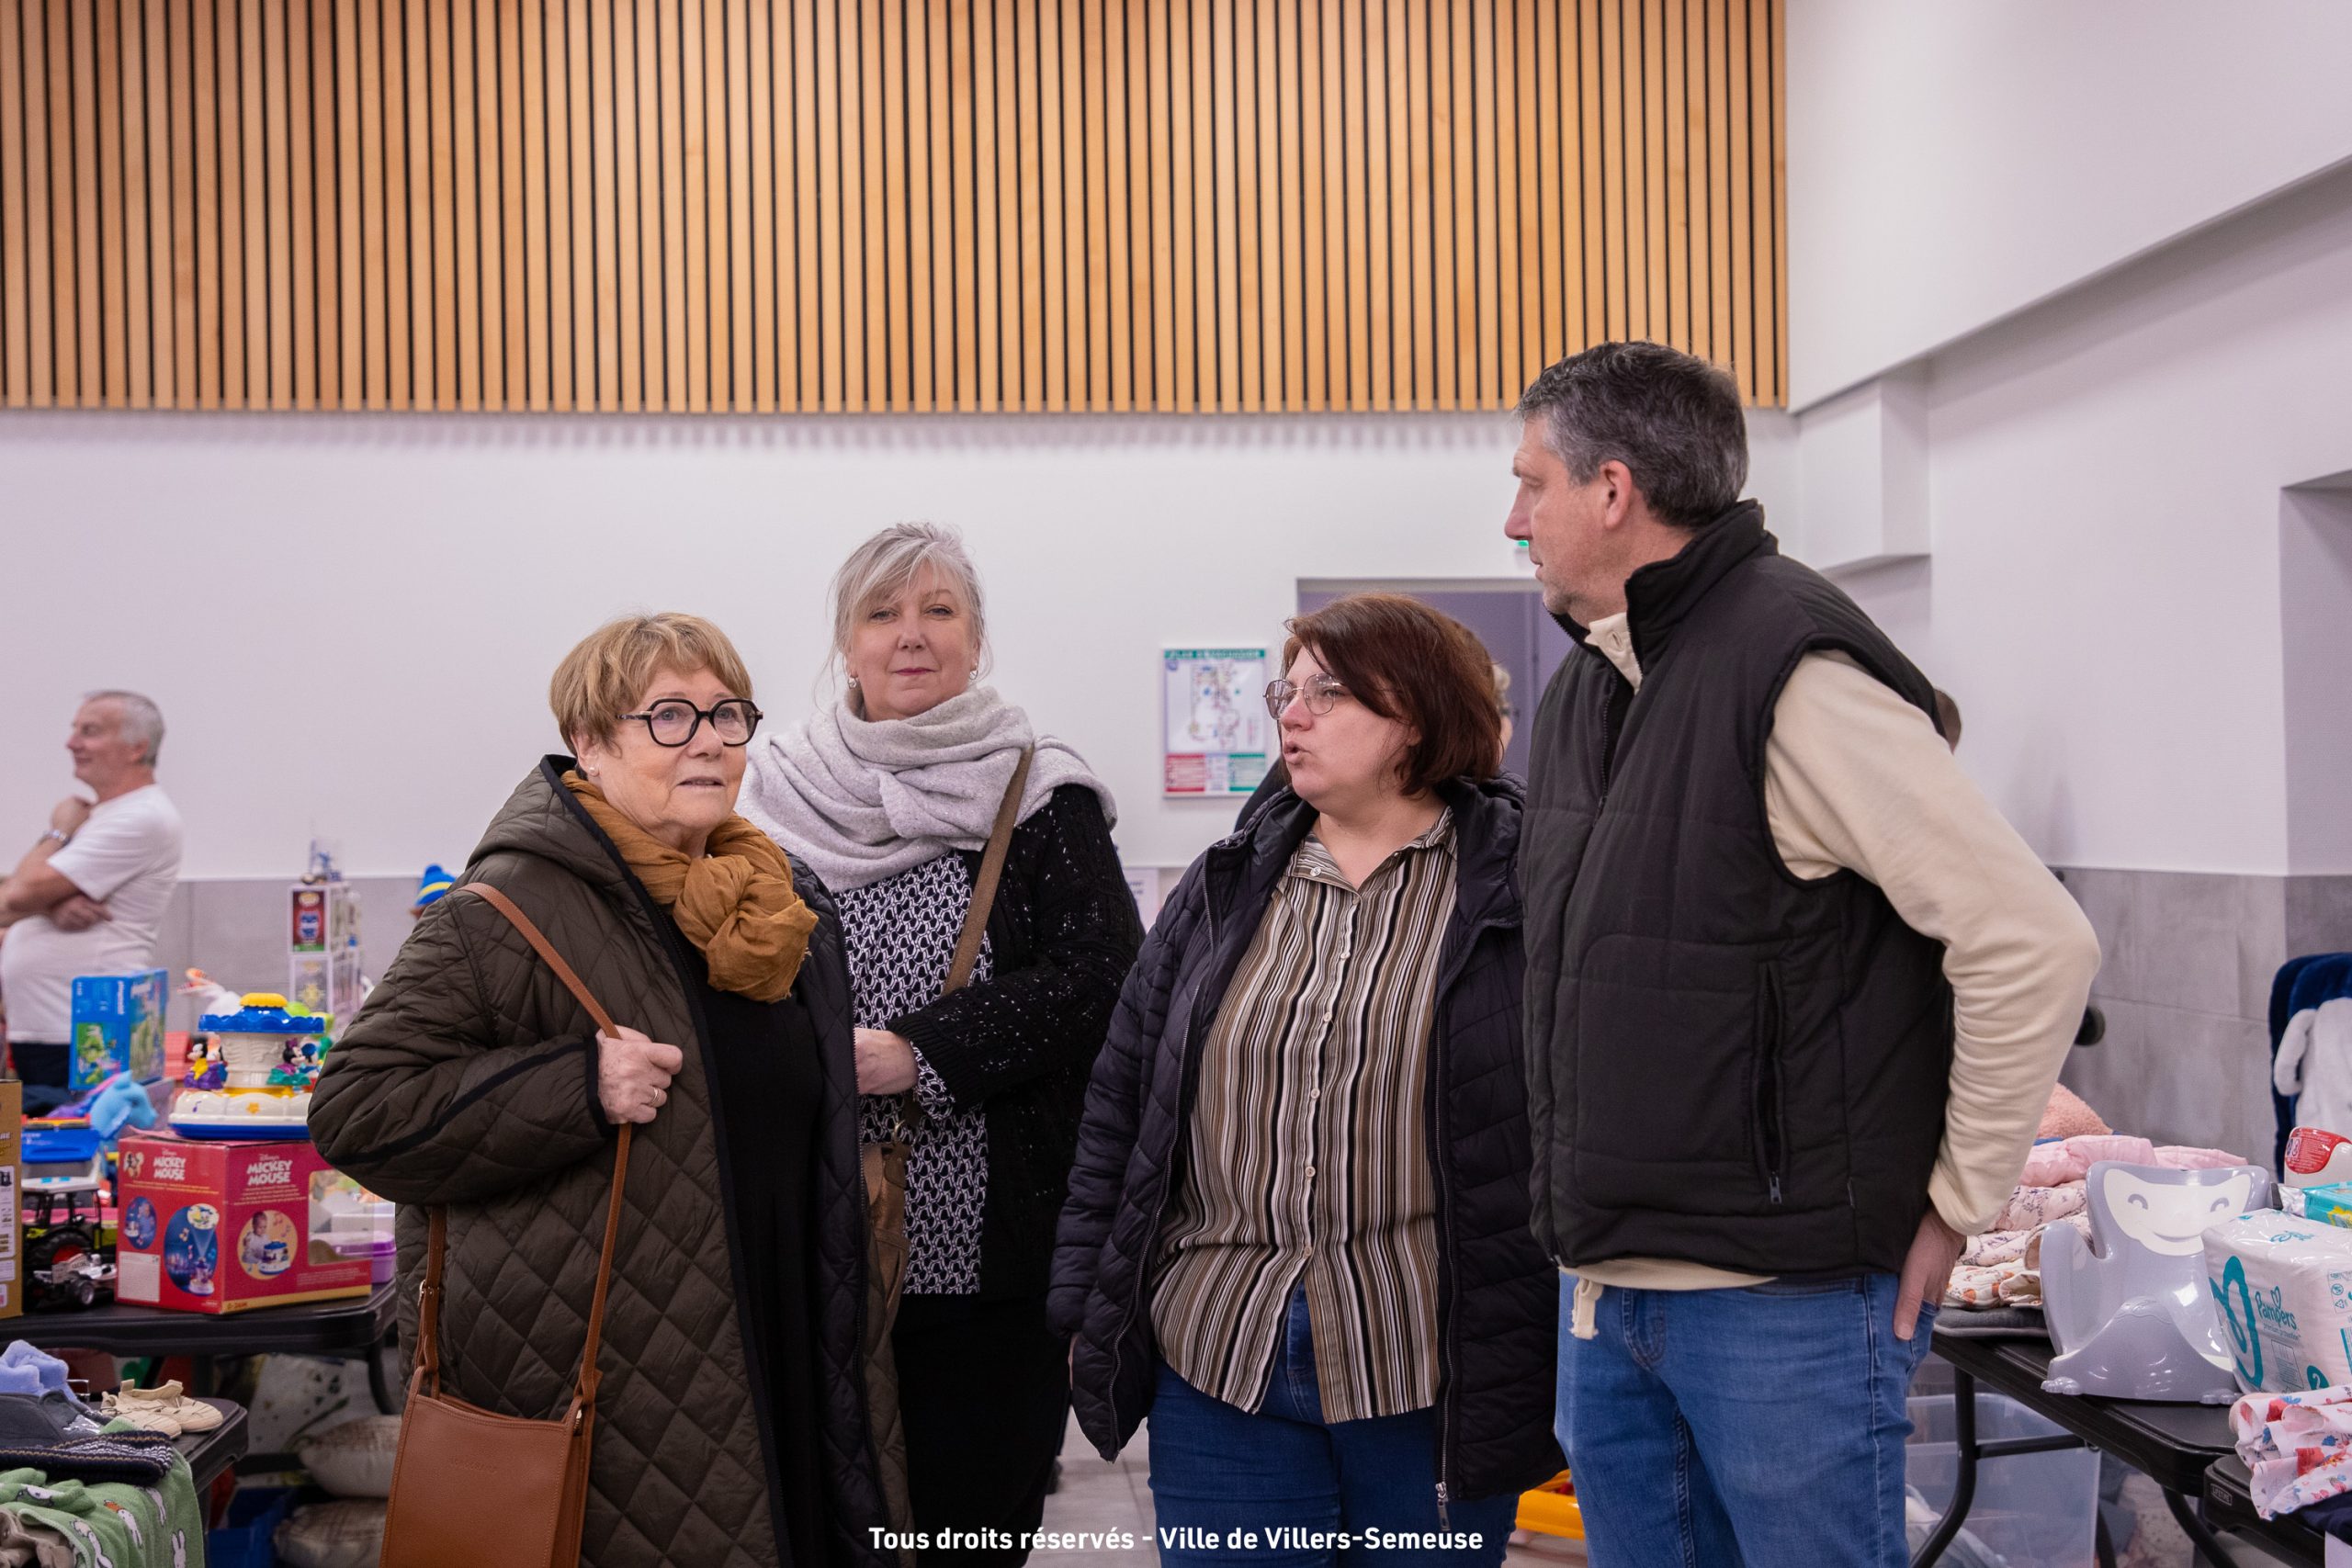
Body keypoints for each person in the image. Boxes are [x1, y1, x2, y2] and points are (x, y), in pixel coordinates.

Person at [1505, 342, 2102, 1568]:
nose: (1515, 519)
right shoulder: (1591, 686)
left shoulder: (1795, 669)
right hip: (1605, 1291)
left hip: (1784, 1308)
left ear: (1612, 491)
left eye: (1532, 483)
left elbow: (2031, 939)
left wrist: (1955, 1205)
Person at [309, 614, 886, 1568]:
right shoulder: (502, 913)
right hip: (616, 1394)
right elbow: (357, 1109)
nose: (708, 741)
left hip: (788, 1341)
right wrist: (575, 1083)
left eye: (726, 714)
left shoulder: (781, 906)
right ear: (589, 742)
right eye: (668, 716)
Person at [1053, 593, 1561, 1566]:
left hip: (1424, 1361)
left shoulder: (1520, 890)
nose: (1291, 712)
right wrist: (1084, 1304)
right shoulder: (1224, 883)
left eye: (1328, 692)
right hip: (1221, 1354)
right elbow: (1120, 1106)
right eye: (1286, 692)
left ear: (1416, 718)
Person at [741, 523, 1141, 1565]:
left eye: (938, 610)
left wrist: (918, 1054)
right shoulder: (771, 794)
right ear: (847, 642)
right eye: (882, 613)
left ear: (976, 637)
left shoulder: (1040, 792)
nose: (910, 635)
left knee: (970, 1526)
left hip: (988, 1266)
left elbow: (1101, 979)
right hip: (810, 1241)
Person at [0, 692, 183, 1114]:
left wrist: (58, 831)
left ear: (136, 747)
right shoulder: (106, 815)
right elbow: (20, 896)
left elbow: (17, 894)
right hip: (55, 1032)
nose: (72, 742)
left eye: (90, 731)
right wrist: (50, 905)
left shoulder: (140, 816)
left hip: (86, 1037)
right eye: (75, 730)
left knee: (81, 1149)